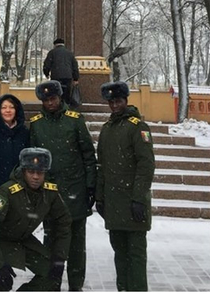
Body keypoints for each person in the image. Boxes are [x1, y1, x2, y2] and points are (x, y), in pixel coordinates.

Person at [29, 80, 97, 291]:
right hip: (49, 196)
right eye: (46, 99)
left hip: (75, 192)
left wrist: (90, 186)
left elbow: (88, 155)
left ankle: (76, 286)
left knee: (76, 246)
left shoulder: (75, 121)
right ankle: (52, 284)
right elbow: (32, 160)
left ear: (60, 98)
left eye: (53, 98)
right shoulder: (36, 123)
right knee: (52, 245)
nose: (50, 103)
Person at [0, 147, 72, 292]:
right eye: (31, 172)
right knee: (0, 282)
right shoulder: (8, 192)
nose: (35, 177)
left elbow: (64, 221)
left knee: (51, 275)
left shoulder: (50, 192)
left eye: (40, 172)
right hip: (0, 241)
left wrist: (59, 258)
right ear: (23, 171)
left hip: (23, 239)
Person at [96, 81, 156, 291]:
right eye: (111, 102)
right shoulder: (107, 129)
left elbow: (146, 165)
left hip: (133, 204)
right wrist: (100, 197)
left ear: (126, 101)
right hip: (114, 204)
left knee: (136, 256)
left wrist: (138, 198)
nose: (114, 105)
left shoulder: (138, 127)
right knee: (120, 254)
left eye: (118, 101)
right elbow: (101, 166)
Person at [43, 38, 80, 107]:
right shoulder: (70, 53)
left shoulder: (52, 52)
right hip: (67, 77)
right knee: (66, 94)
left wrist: (46, 73)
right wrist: (75, 78)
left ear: (55, 45)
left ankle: (57, 107)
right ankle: (66, 107)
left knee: (56, 93)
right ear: (63, 44)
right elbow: (75, 66)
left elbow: (46, 65)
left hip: (56, 77)